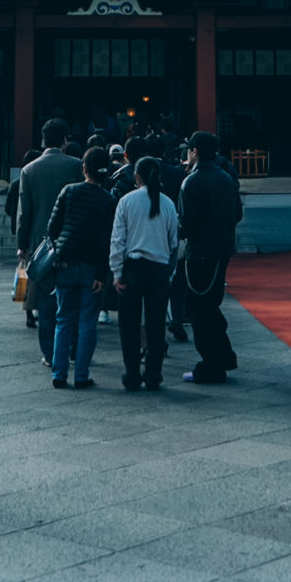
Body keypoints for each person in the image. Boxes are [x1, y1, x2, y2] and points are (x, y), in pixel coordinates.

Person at [43, 148, 115, 390]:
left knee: (63, 319)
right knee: (87, 322)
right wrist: (102, 274)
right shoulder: (108, 200)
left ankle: (59, 373)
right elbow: (106, 241)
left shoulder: (69, 191)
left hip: (65, 262)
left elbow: (52, 228)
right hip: (91, 267)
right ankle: (82, 375)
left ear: (84, 168)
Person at [178, 132, 243, 384]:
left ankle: (211, 364)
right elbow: (237, 213)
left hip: (200, 251)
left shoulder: (191, 182)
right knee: (211, 304)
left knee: (198, 309)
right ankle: (224, 355)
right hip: (222, 249)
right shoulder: (226, 179)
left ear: (194, 151)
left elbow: (186, 224)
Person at [110, 155, 178, 391]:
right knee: (156, 324)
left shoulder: (127, 201)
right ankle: (153, 373)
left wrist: (116, 272)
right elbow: (173, 241)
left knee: (128, 324)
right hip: (158, 267)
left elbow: (117, 241)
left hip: (132, 267)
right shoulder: (167, 203)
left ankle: (132, 373)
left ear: (136, 176)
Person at [15, 120, 81, 346]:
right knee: (71, 298)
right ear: (65, 140)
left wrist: (22, 245)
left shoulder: (28, 170)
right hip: (72, 241)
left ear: (43, 140)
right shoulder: (76, 166)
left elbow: (24, 214)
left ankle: (48, 351)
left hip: (40, 243)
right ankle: (71, 346)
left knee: (45, 300)